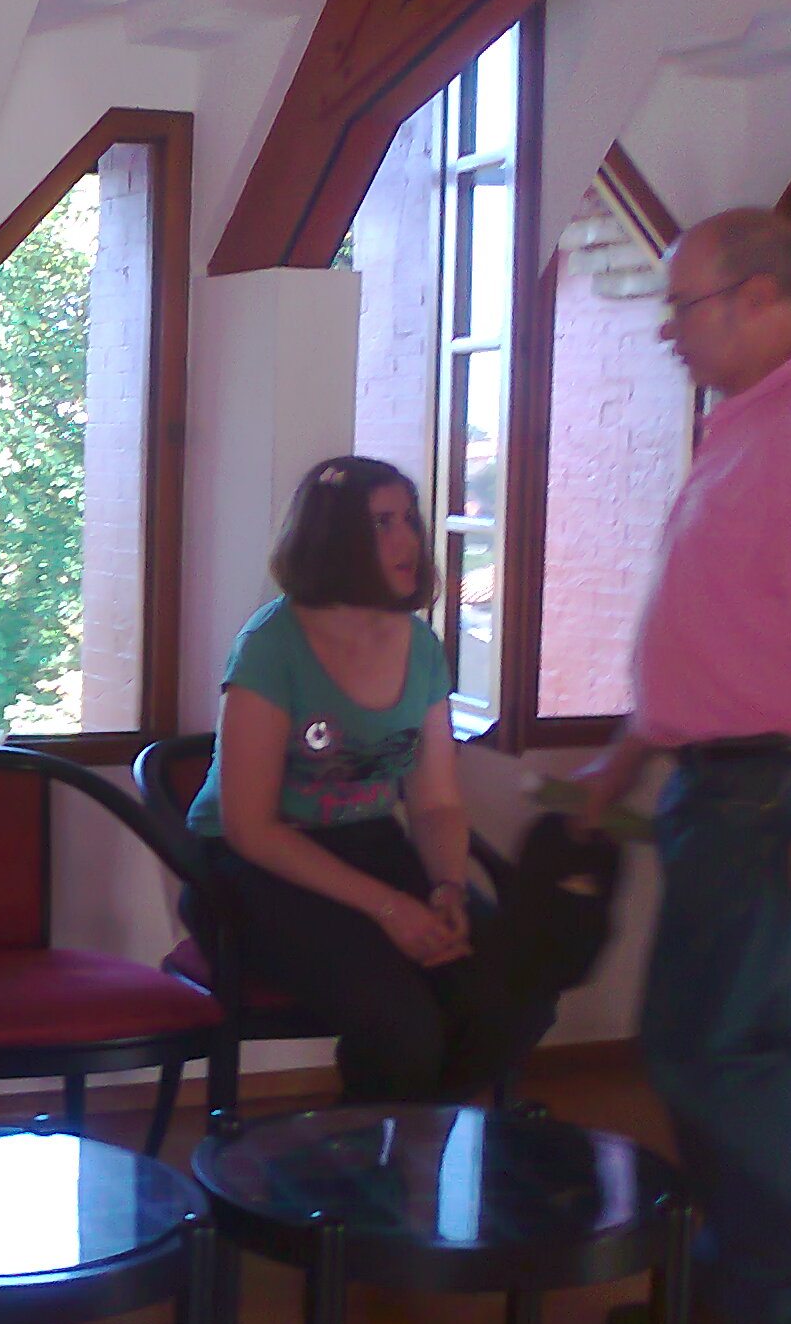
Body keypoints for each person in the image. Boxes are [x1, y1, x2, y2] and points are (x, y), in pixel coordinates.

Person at [574, 206, 791, 1324]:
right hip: (717, 785)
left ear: (762, 299)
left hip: (769, 788)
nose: (667, 329)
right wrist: (625, 760)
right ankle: (759, 1292)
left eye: (683, 304)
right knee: (708, 1044)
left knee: (717, 1052)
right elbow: (719, 627)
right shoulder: (744, 426)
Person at [186, 455, 541, 1102]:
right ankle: (372, 1154)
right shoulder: (271, 644)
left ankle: (420, 1140)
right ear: (332, 537)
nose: (407, 539)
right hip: (255, 872)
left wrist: (447, 889)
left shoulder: (421, 646)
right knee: (402, 1025)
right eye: (381, 523)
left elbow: (435, 804)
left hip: (371, 847)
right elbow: (251, 829)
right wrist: (390, 909)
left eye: (408, 518)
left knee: (516, 992)